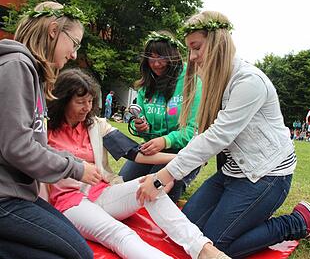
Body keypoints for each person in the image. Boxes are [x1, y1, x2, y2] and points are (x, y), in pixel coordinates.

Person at [137, 11, 310, 259]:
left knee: (214, 246)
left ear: (217, 43)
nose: (191, 58)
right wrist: (174, 174)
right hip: (232, 172)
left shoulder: (248, 81)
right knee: (187, 231)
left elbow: (217, 136)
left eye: (196, 48)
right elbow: (202, 136)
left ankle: (298, 222)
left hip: (266, 175)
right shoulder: (213, 80)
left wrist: (162, 177)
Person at [46, 68, 230, 259]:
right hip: (70, 203)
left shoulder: (95, 125)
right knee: (120, 234)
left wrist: (184, 159)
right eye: (80, 102)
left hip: (102, 193)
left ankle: (204, 250)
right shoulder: (44, 131)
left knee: (151, 185)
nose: (87, 107)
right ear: (63, 101)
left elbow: (134, 153)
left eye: (90, 101)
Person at [0, 1, 102, 258]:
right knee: (79, 254)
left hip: (17, 193)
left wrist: (72, 162)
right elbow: (18, 148)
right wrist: (76, 168)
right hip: (5, 198)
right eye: (75, 43)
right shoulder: (16, 66)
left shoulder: (28, 71)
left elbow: (32, 143)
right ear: (54, 30)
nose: (74, 55)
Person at [119, 30, 202, 202]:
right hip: (151, 148)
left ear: (173, 57)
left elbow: (192, 130)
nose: (156, 64)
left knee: (155, 191)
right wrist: (139, 125)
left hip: (181, 151)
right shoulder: (145, 85)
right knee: (122, 187)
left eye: (162, 58)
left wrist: (164, 141)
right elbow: (137, 120)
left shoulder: (191, 81)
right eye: (151, 58)